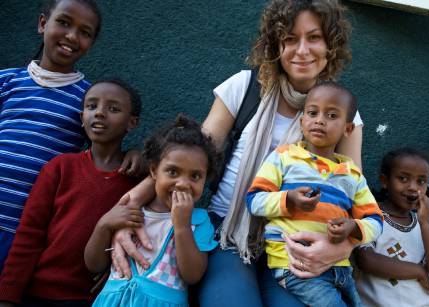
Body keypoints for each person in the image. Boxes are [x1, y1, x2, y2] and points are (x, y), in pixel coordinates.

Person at [110, 1, 364, 306]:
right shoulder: (244, 87)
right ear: (275, 44)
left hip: (295, 243)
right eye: (290, 39)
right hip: (228, 231)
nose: (302, 50)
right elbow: (194, 153)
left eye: (314, 37)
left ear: (330, 45)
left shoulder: (343, 114)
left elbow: (356, 196)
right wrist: (132, 205)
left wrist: (341, 248)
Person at [0, 0, 140, 273]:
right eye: (63, 23)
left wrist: (133, 154)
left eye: (84, 32)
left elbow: (102, 153)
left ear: (91, 43)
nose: (72, 36)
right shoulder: (7, 81)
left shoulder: (87, 100)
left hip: (29, 235)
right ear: (43, 24)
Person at [0, 78, 142, 306]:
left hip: (97, 297)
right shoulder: (60, 168)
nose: (100, 113)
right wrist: (7, 295)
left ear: (132, 122)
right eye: (91, 106)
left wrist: (116, 267)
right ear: (81, 118)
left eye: (113, 109)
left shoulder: (138, 182)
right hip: (39, 293)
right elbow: (29, 234)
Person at [246, 82, 382, 307]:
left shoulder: (353, 175)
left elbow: (376, 221)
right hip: (294, 267)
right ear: (302, 122)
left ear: (348, 129)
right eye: (312, 113)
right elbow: (254, 200)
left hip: (339, 268)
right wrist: (288, 199)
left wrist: (353, 228)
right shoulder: (284, 157)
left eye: (331, 115)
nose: (319, 120)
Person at [86, 114, 219, 307]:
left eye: (195, 176)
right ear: (154, 171)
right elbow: (94, 264)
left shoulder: (198, 221)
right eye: (173, 172)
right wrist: (104, 225)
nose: (183, 183)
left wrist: (181, 226)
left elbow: (192, 275)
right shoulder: (130, 212)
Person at [354, 147, 429, 307]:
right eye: (403, 179)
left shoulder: (427, 227)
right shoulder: (371, 217)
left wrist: (425, 224)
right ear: (385, 181)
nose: (413, 187)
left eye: (421, 181)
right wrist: (418, 271)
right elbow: (366, 260)